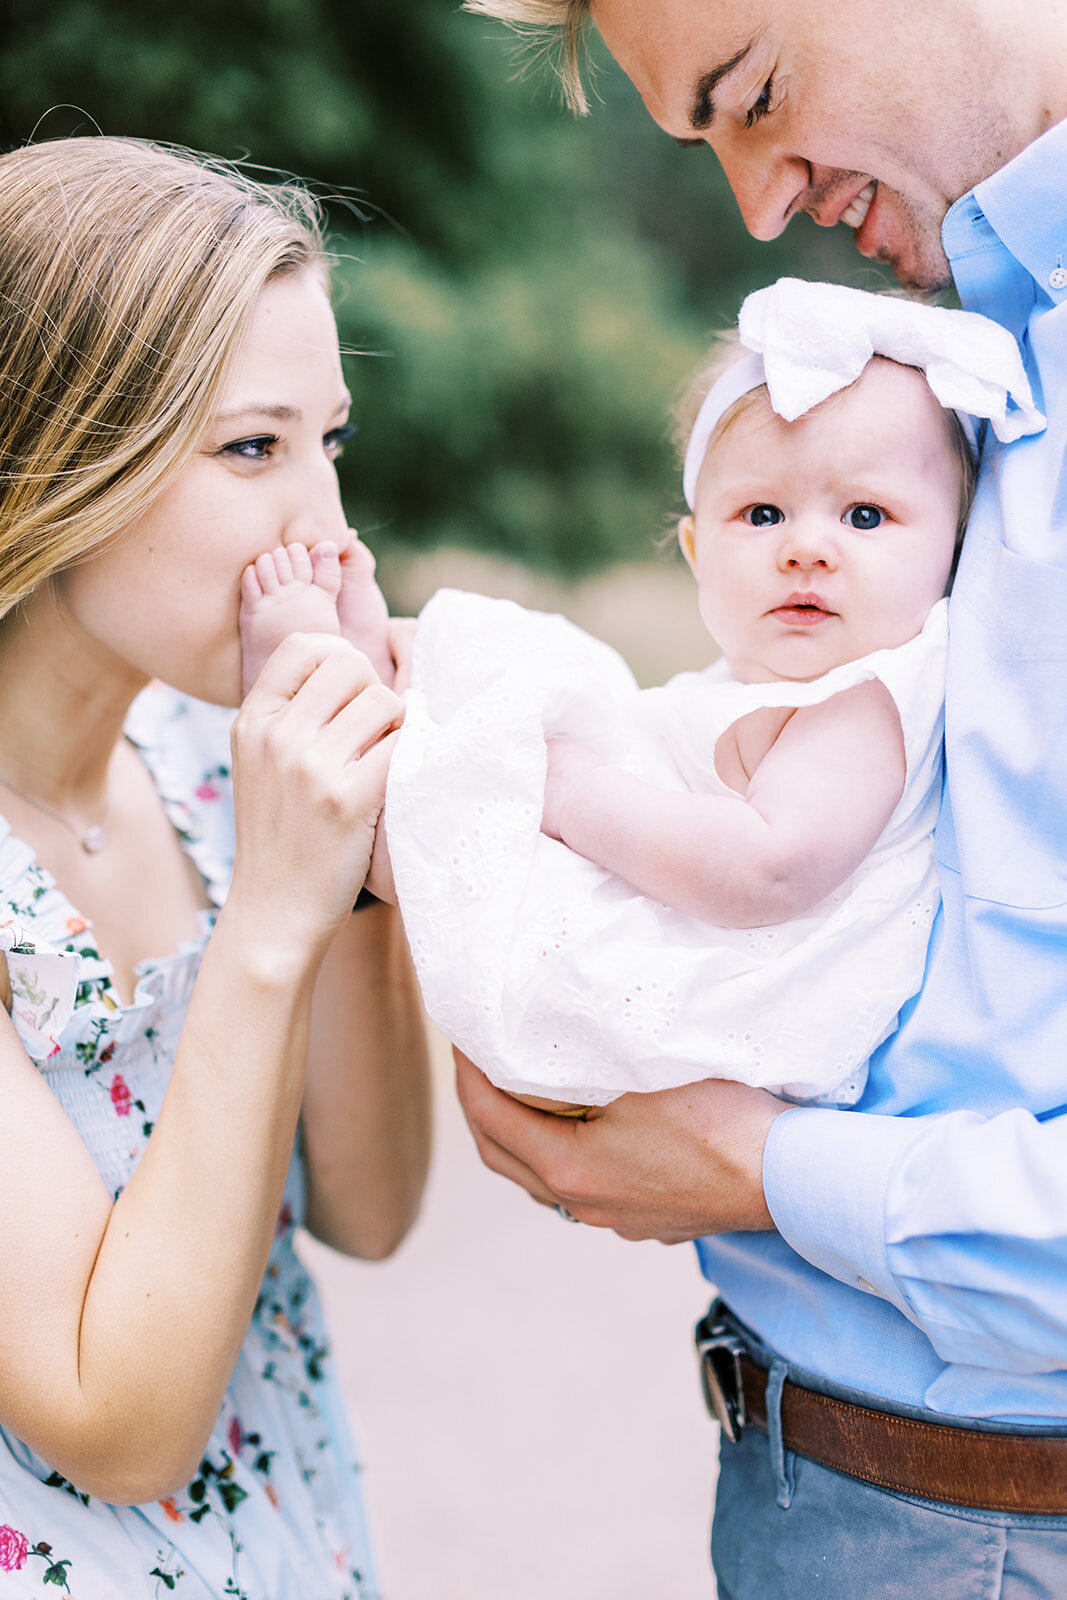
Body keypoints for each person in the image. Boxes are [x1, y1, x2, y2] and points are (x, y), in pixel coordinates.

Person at [451, 1, 1067, 1595]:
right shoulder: (989, 359)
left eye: (755, 94)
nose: (756, 203)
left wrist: (755, 1168)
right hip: (828, 1483)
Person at [242, 280, 1040, 1119]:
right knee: (541, 674)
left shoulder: (865, 703)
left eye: (866, 517)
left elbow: (765, 868)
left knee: (474, 832)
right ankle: (375, 677)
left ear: (953, 553)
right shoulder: (768, 689)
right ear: (696, 550)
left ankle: (309, 681)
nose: (807, 548)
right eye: (762, 513)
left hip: (726, 987)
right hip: (685, 920)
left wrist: (570, 789)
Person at [0, 136, 430, 1600]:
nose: (324, 531)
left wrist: (353, 844)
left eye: (333, 444)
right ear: (57, 451)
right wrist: (268, 913)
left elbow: (366, 1207)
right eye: (252, 449)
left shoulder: (202, 755)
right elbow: (117, 1424)